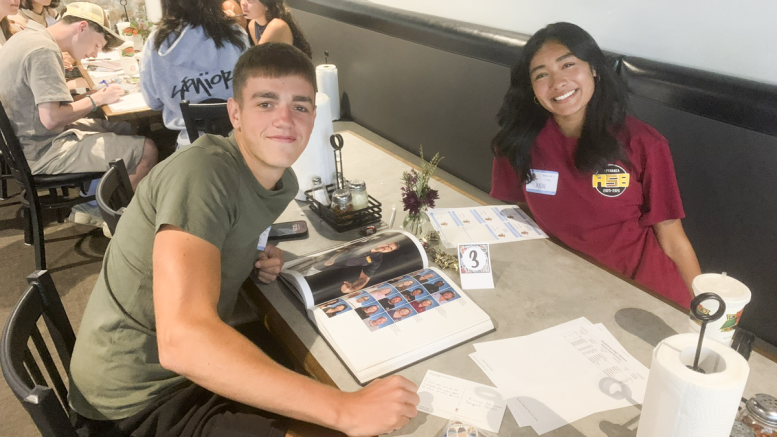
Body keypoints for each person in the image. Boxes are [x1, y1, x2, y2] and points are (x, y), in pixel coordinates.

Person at [68, 43, 419, 437]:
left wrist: (248, 252)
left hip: (184, 372)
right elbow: (182, 340)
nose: (285, 119)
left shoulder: (278, 181)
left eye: (300, 107)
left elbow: (224, 226)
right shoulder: (202, 173)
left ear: (315, 117)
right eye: (266, 103)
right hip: (136, 400)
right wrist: (345, 410)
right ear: (235, 113)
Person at [490, 22, 700, 308]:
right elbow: (519, 218)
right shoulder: (518, 142)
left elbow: (674, 240)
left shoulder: (644, 143)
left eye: (568, 65)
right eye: (542, 74)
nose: (558, 82)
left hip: (643, 293)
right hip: (567, 287)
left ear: (594, 70)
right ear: (532, 88)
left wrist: (705, 313)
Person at [0, 2, 158, 226]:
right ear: (81, 27)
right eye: (96, 44)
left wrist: (88, 98)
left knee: (124, 128)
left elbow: (41, 107)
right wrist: (95, 100)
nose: (92, 53)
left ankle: (93, 200)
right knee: (147, 150)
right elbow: (51, 118)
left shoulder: (30, 35)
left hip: (27, 141)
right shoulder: (43, 50)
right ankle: (109, 217)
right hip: (43, 152)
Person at [141, 0, 249, 148]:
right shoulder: (235, 33)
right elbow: (252, 88)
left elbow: (153, 102)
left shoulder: (157, 43)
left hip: (190, 149)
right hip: (241, 144)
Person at [240, 0, 311, 57]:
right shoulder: (252, 24)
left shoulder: (276, 25)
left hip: (292, 71)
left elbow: (255, 59)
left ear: (267, 4)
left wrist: (233, 28)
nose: (243, 3)